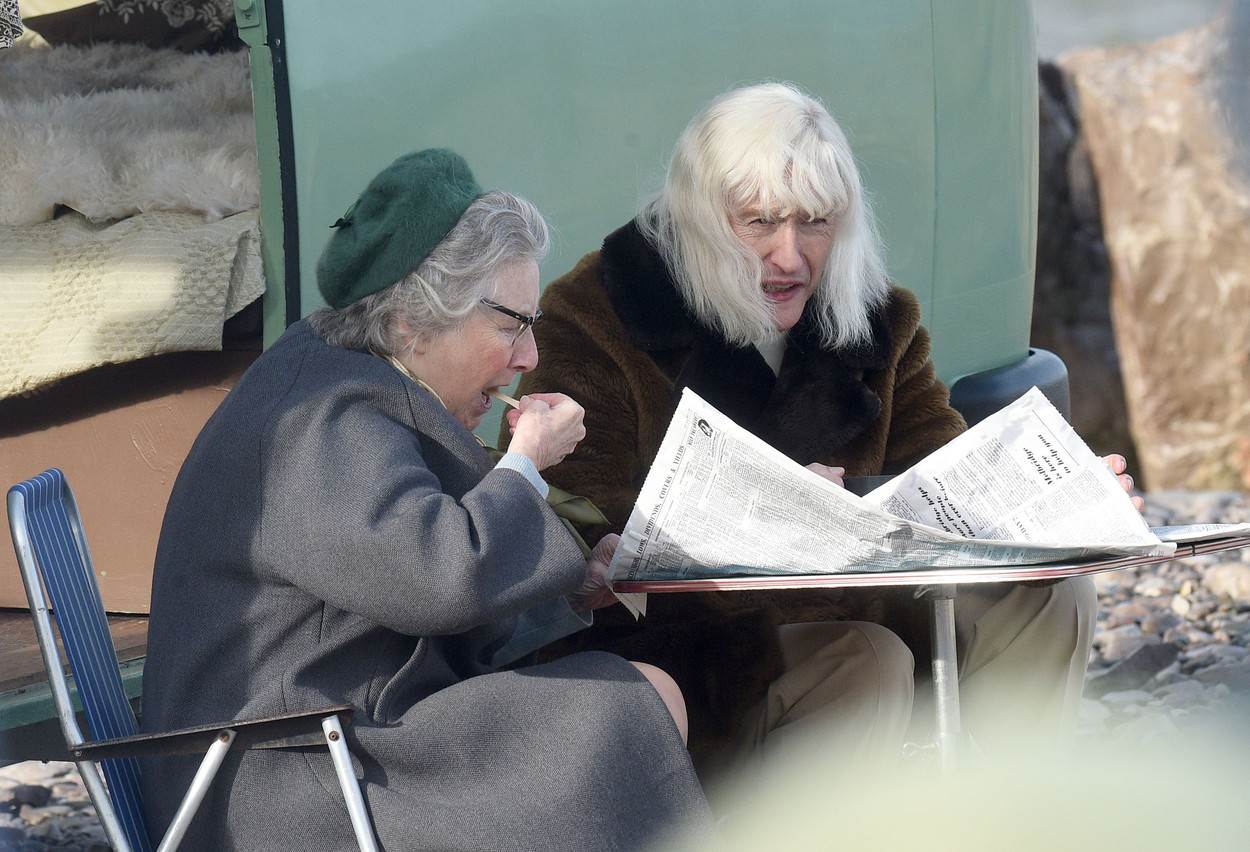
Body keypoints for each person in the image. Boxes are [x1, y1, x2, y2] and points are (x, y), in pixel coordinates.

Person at [508, 83, 1140, 773]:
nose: (791, 257)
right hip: (685, 644)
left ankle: (1004, 819)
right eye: (758, 223)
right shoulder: (599, 315)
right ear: (697, 219)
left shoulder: (874, 320)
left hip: (865, 610)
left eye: (815, 222)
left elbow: (943, 467)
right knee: (863, 658)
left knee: (1053, 595)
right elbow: (565, 522)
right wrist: (757, 512)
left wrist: (1062, 498)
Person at [140, 149, 708, 850]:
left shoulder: (341, 378)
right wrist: (524, 465)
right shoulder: (319, 420)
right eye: (511, 325)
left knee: (633, 698)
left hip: (327, 737)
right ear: (413, 321)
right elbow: (439, 581)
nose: (529, 357)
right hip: (278, 783)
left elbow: (406, 574)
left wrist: (572, 588)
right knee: (631, 705)